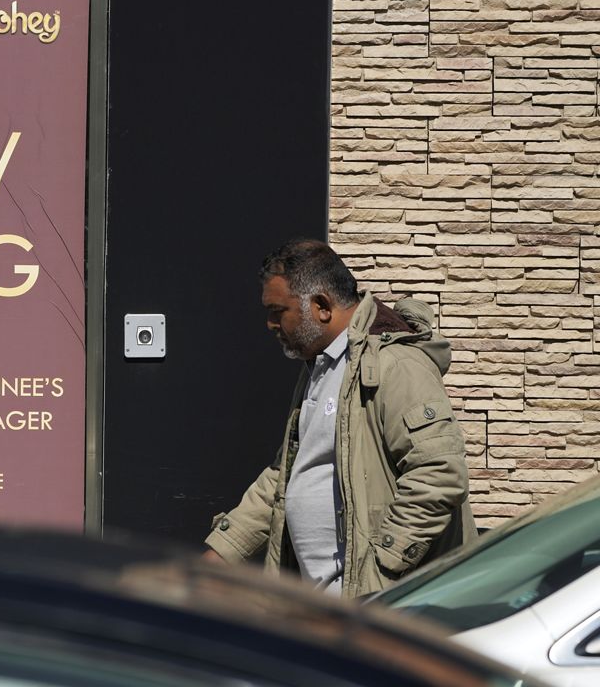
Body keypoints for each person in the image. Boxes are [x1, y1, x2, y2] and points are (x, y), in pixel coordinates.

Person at [203, 239, 475, 598]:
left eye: (278, 311)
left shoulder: (396, 364)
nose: (270, 324)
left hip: (381, 606)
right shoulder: (321, 367)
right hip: (323, 605)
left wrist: (380, 572)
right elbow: (284, 478)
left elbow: (439, 473)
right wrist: (222, 553)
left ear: (321, 307)